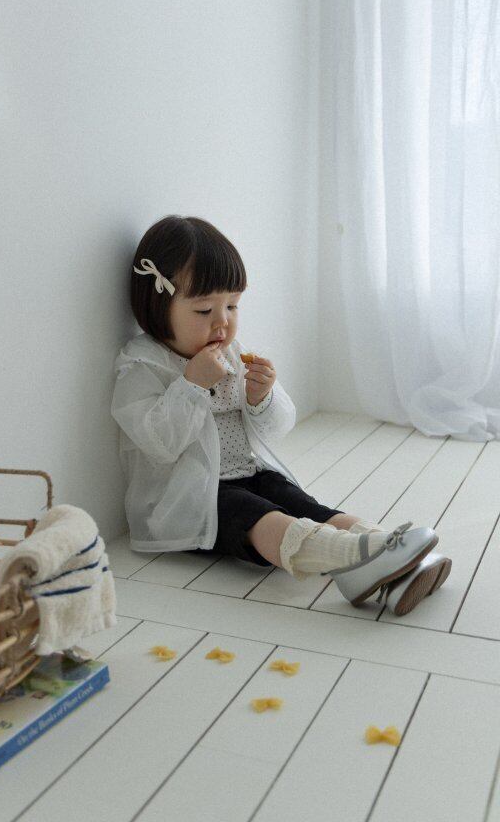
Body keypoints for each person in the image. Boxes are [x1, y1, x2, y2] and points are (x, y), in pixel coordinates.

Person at [111, 215, 451, 615]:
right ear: (158, 305)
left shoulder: (232, 354)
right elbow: (159, 443)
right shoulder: (142, 365)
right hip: (193, 497)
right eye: (204, 310)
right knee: (264, 519)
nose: (223, 322)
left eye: (232, 305)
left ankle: (393, 556)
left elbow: (275, 428)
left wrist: (261, 396)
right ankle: (358, 560)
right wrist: (192, 384)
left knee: (309, 507)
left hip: (250, 473)